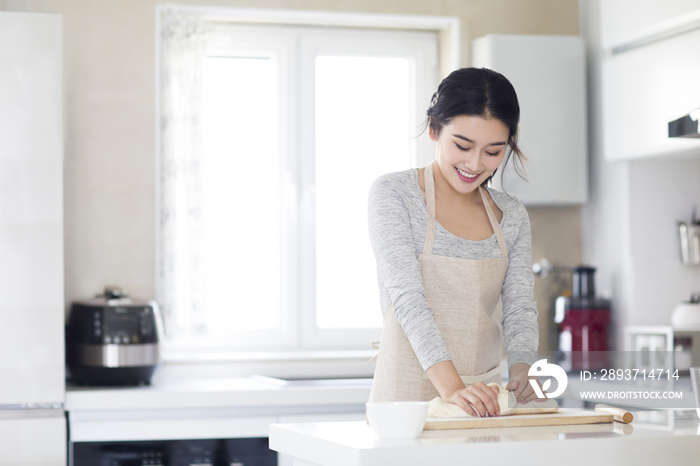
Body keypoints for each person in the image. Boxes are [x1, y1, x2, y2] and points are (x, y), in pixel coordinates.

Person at [367, 67, 540, 417]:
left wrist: (523, 369)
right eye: (462, 146)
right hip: (406, 401)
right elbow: (407, 298)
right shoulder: (394, 194)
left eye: (493, 152)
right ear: (434, 129)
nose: (475, 164)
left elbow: (520, 307)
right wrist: (454, 389)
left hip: (483, 399)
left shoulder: (512, 215)